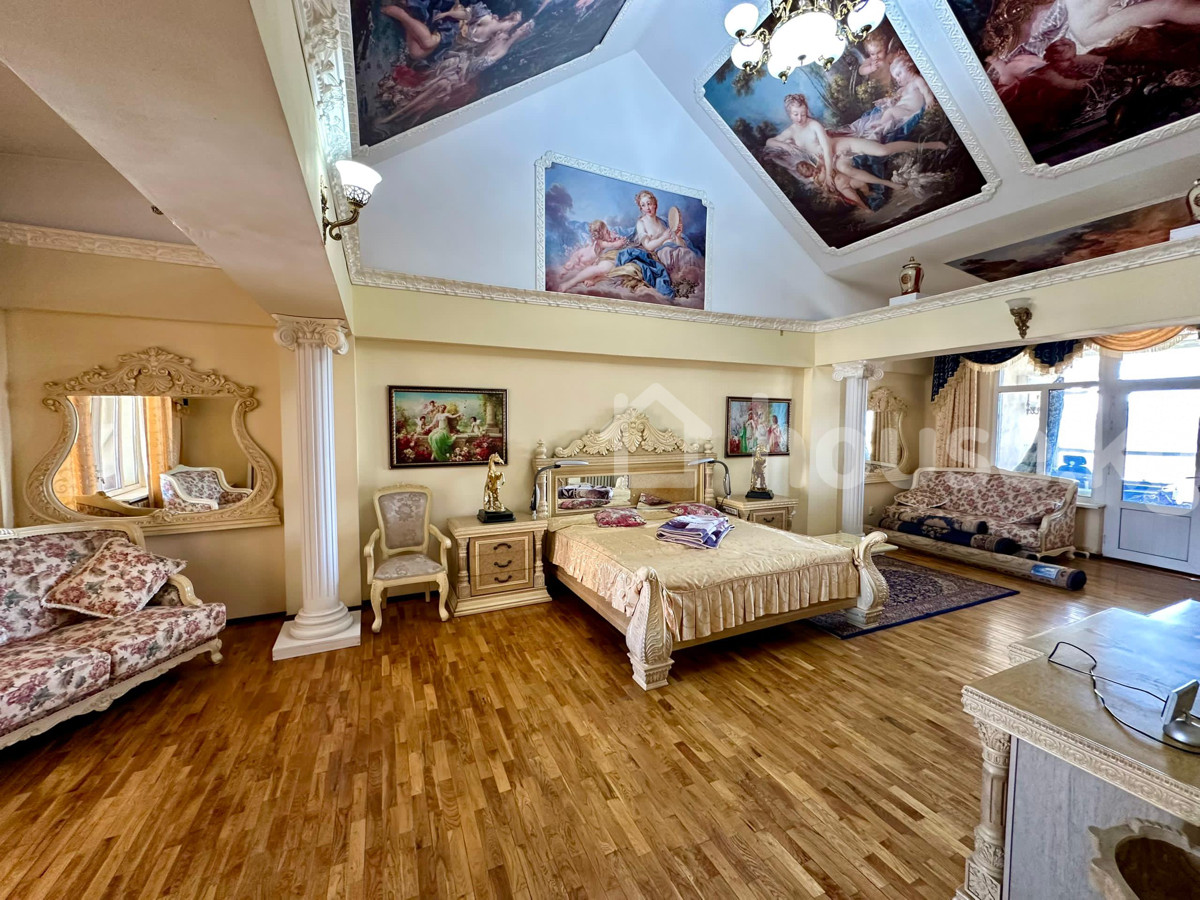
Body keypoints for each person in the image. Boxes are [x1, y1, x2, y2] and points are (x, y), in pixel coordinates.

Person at [766, 94, 944, 200]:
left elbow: (827, 150)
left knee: (882, 150)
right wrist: (783, 144)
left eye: (803, 113)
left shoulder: (814, 125)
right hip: (833, 161)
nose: (800, 118)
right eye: (796, 114)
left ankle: (929, 145)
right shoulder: (791, 131)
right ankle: (888, 184)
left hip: (838, 147)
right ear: (789, 114)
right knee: (846, 170)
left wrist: (828, 174)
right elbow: (769, 142)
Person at [555, 220, 630, 293]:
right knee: (574, 265)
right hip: (584, 258)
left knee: (570, 265)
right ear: (601, 234)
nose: (609, 232)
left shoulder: (598, 241)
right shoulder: (601, 243)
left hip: (582, 254)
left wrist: (614, 237)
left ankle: (564, 271)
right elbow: (612, 245)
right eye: (607, 232)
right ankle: (567, 279)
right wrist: (619, 242)